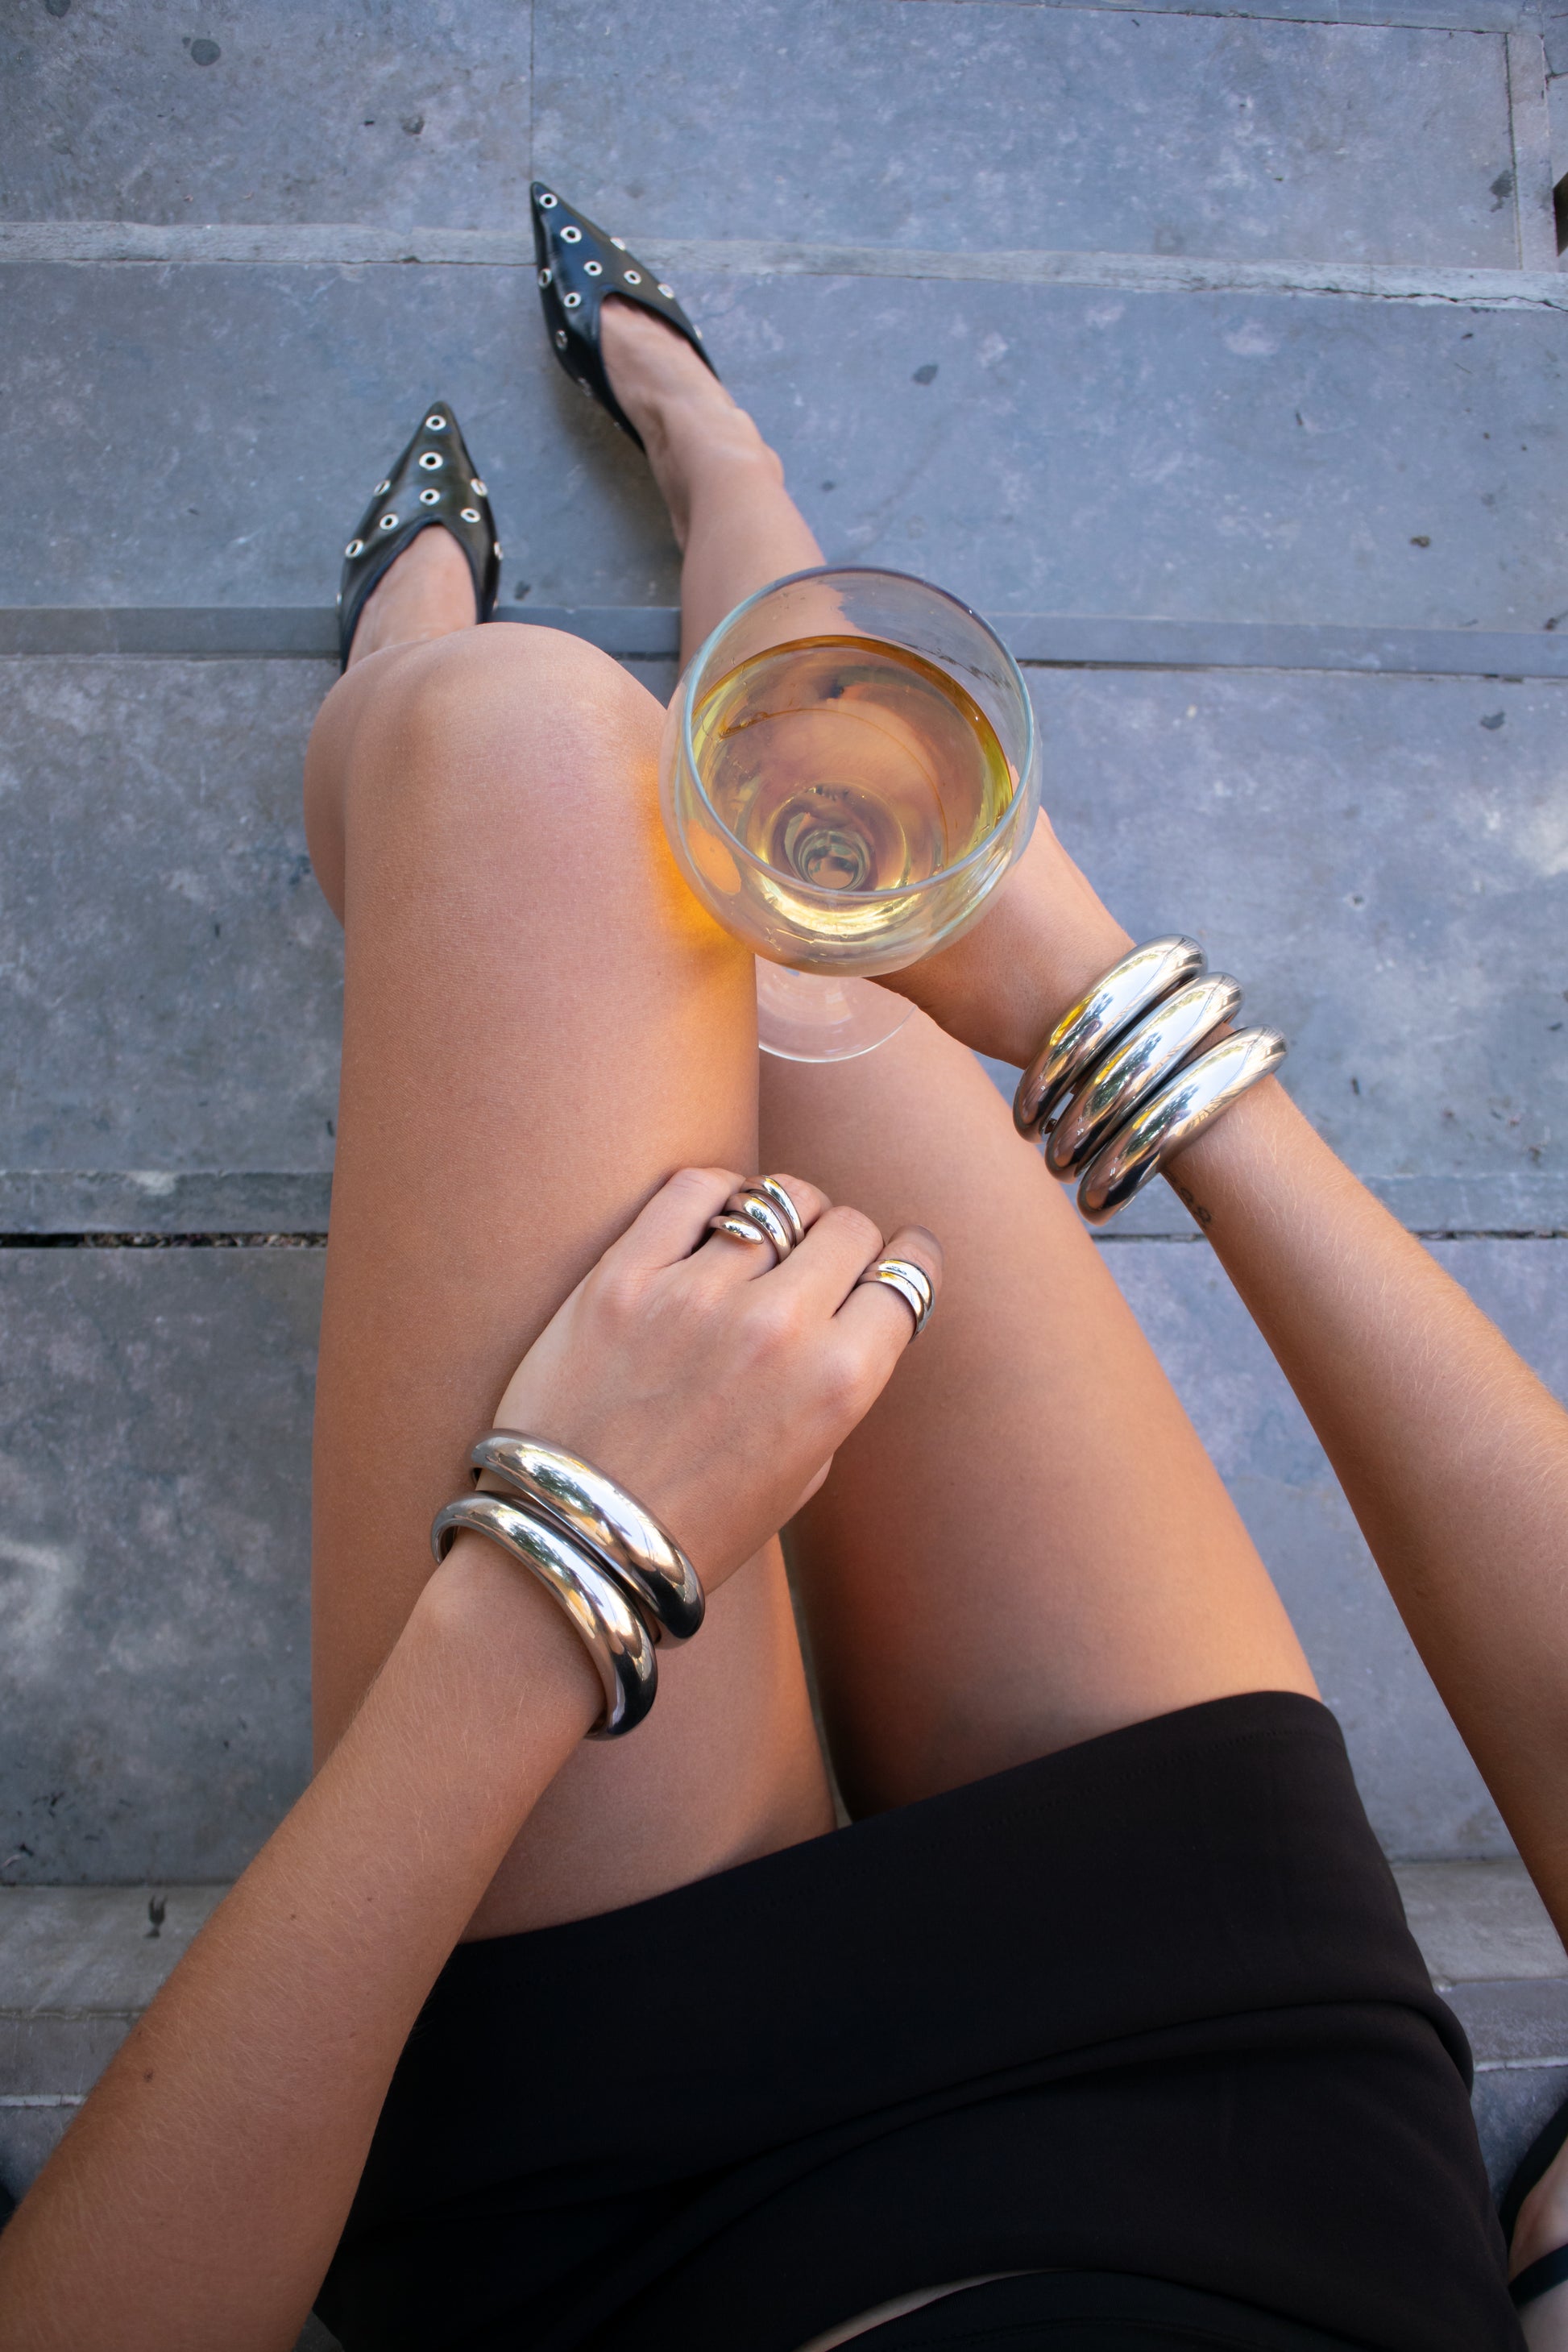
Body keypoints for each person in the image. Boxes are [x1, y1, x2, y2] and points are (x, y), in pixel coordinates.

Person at [2, 184, 1566, 2352]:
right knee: (804, 903)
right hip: (1226, 2068)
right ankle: (707, 444)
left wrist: (562, 1569)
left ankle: (407, 673)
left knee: (520, 755)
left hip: (625, 2208)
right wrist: (1125, 1030)